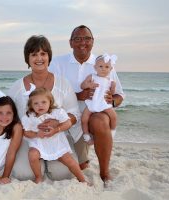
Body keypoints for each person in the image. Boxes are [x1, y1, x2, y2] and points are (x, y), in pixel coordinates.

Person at [49, 25, 125, 184]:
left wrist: (111, 100)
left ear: (93, 42)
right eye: (77, 39)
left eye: (87, 38)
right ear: (70, 43)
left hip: (93, 116)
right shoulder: (57, 63)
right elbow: (49, 94)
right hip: (67, 119)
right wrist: (79, 95)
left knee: (100, 120)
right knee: (77, 167)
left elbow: (120, 95)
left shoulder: (104, 63)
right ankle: (81, 157)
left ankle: (104, 173)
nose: (82, 42)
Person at [8, 35, 83, 181]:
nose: (39, 58)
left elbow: (74, 114)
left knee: (63, 174)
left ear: (49, 56)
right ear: (27, 59)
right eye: (34, 54)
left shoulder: (62, 83)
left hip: (58, 137)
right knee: (24, 174)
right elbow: (6, 114)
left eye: (43, 53)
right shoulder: (18, 87)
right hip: (31, 140)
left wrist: (58, 125)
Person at [22, 87, 86, 183]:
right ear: (31, 105)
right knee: (32, 155)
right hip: (39, 143)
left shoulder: (57, 112)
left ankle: (82, 179)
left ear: (50, 101)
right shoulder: (29, 116)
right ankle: (38, 176)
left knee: (69, 160)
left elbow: (68, 123)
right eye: (36, 103)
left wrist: (57, 129)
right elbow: (26, 132)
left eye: (44, 102)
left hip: (57, 142)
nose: (40, 105)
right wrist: (36, 134)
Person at [81, 54, 118, 145]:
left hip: (103, 103)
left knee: (113, 116)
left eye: (106, 67)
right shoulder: (92, 76)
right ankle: (86, 135)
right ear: (95, 67)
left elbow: (112, 94)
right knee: (84, 119)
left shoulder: (110, 80)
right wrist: (88, 85)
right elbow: (82, 86)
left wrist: (113, 87)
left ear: (111, 69)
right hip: (92, 103)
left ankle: (112, 132)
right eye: (100, 66)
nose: (103, 69)